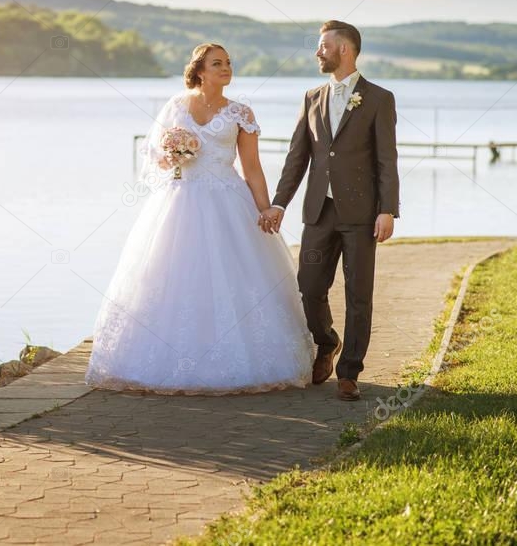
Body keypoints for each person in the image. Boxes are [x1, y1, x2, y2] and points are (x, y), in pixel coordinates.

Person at [84, 43, 315, 395]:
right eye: (217, 63)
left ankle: (238, 362)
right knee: (174, 276)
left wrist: (266, 208)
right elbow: (156, 156)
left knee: (234, 277)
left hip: (227, 200)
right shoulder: (177, 105)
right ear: (200, 70)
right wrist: (172, 155)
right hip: (179, 201)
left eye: (228, 63)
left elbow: (251, 168)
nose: (225, 68)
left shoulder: (241, 113)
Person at [258, 20, 400, 402]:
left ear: (345, 50)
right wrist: (279, 202)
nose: (317, 52)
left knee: (359, 293)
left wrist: (388, 209)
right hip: (318, 212)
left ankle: (349, 372)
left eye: (324, 46)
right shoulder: (311, 97)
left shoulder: (379, 98)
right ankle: (327, 341)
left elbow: (387, 159)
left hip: (361, 214)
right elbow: (297, 157)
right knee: (309, 287)